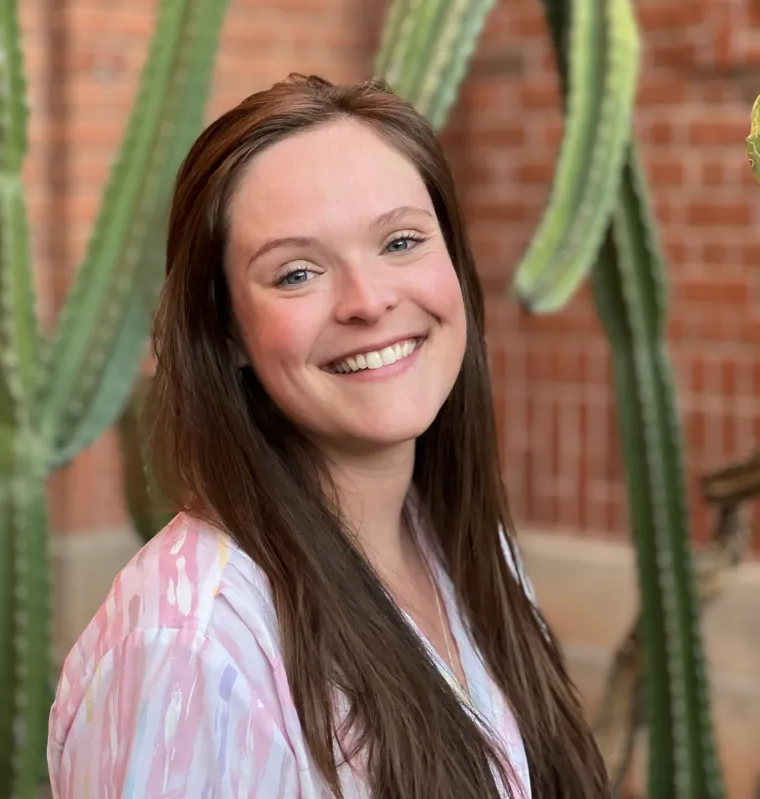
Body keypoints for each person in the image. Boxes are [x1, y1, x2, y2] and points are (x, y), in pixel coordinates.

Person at [47, 75, 609, 799]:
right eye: (297, 272)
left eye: (401, 240)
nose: (369, 301)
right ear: (228, 331)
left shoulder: (464, 545)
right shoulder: (192, 651)